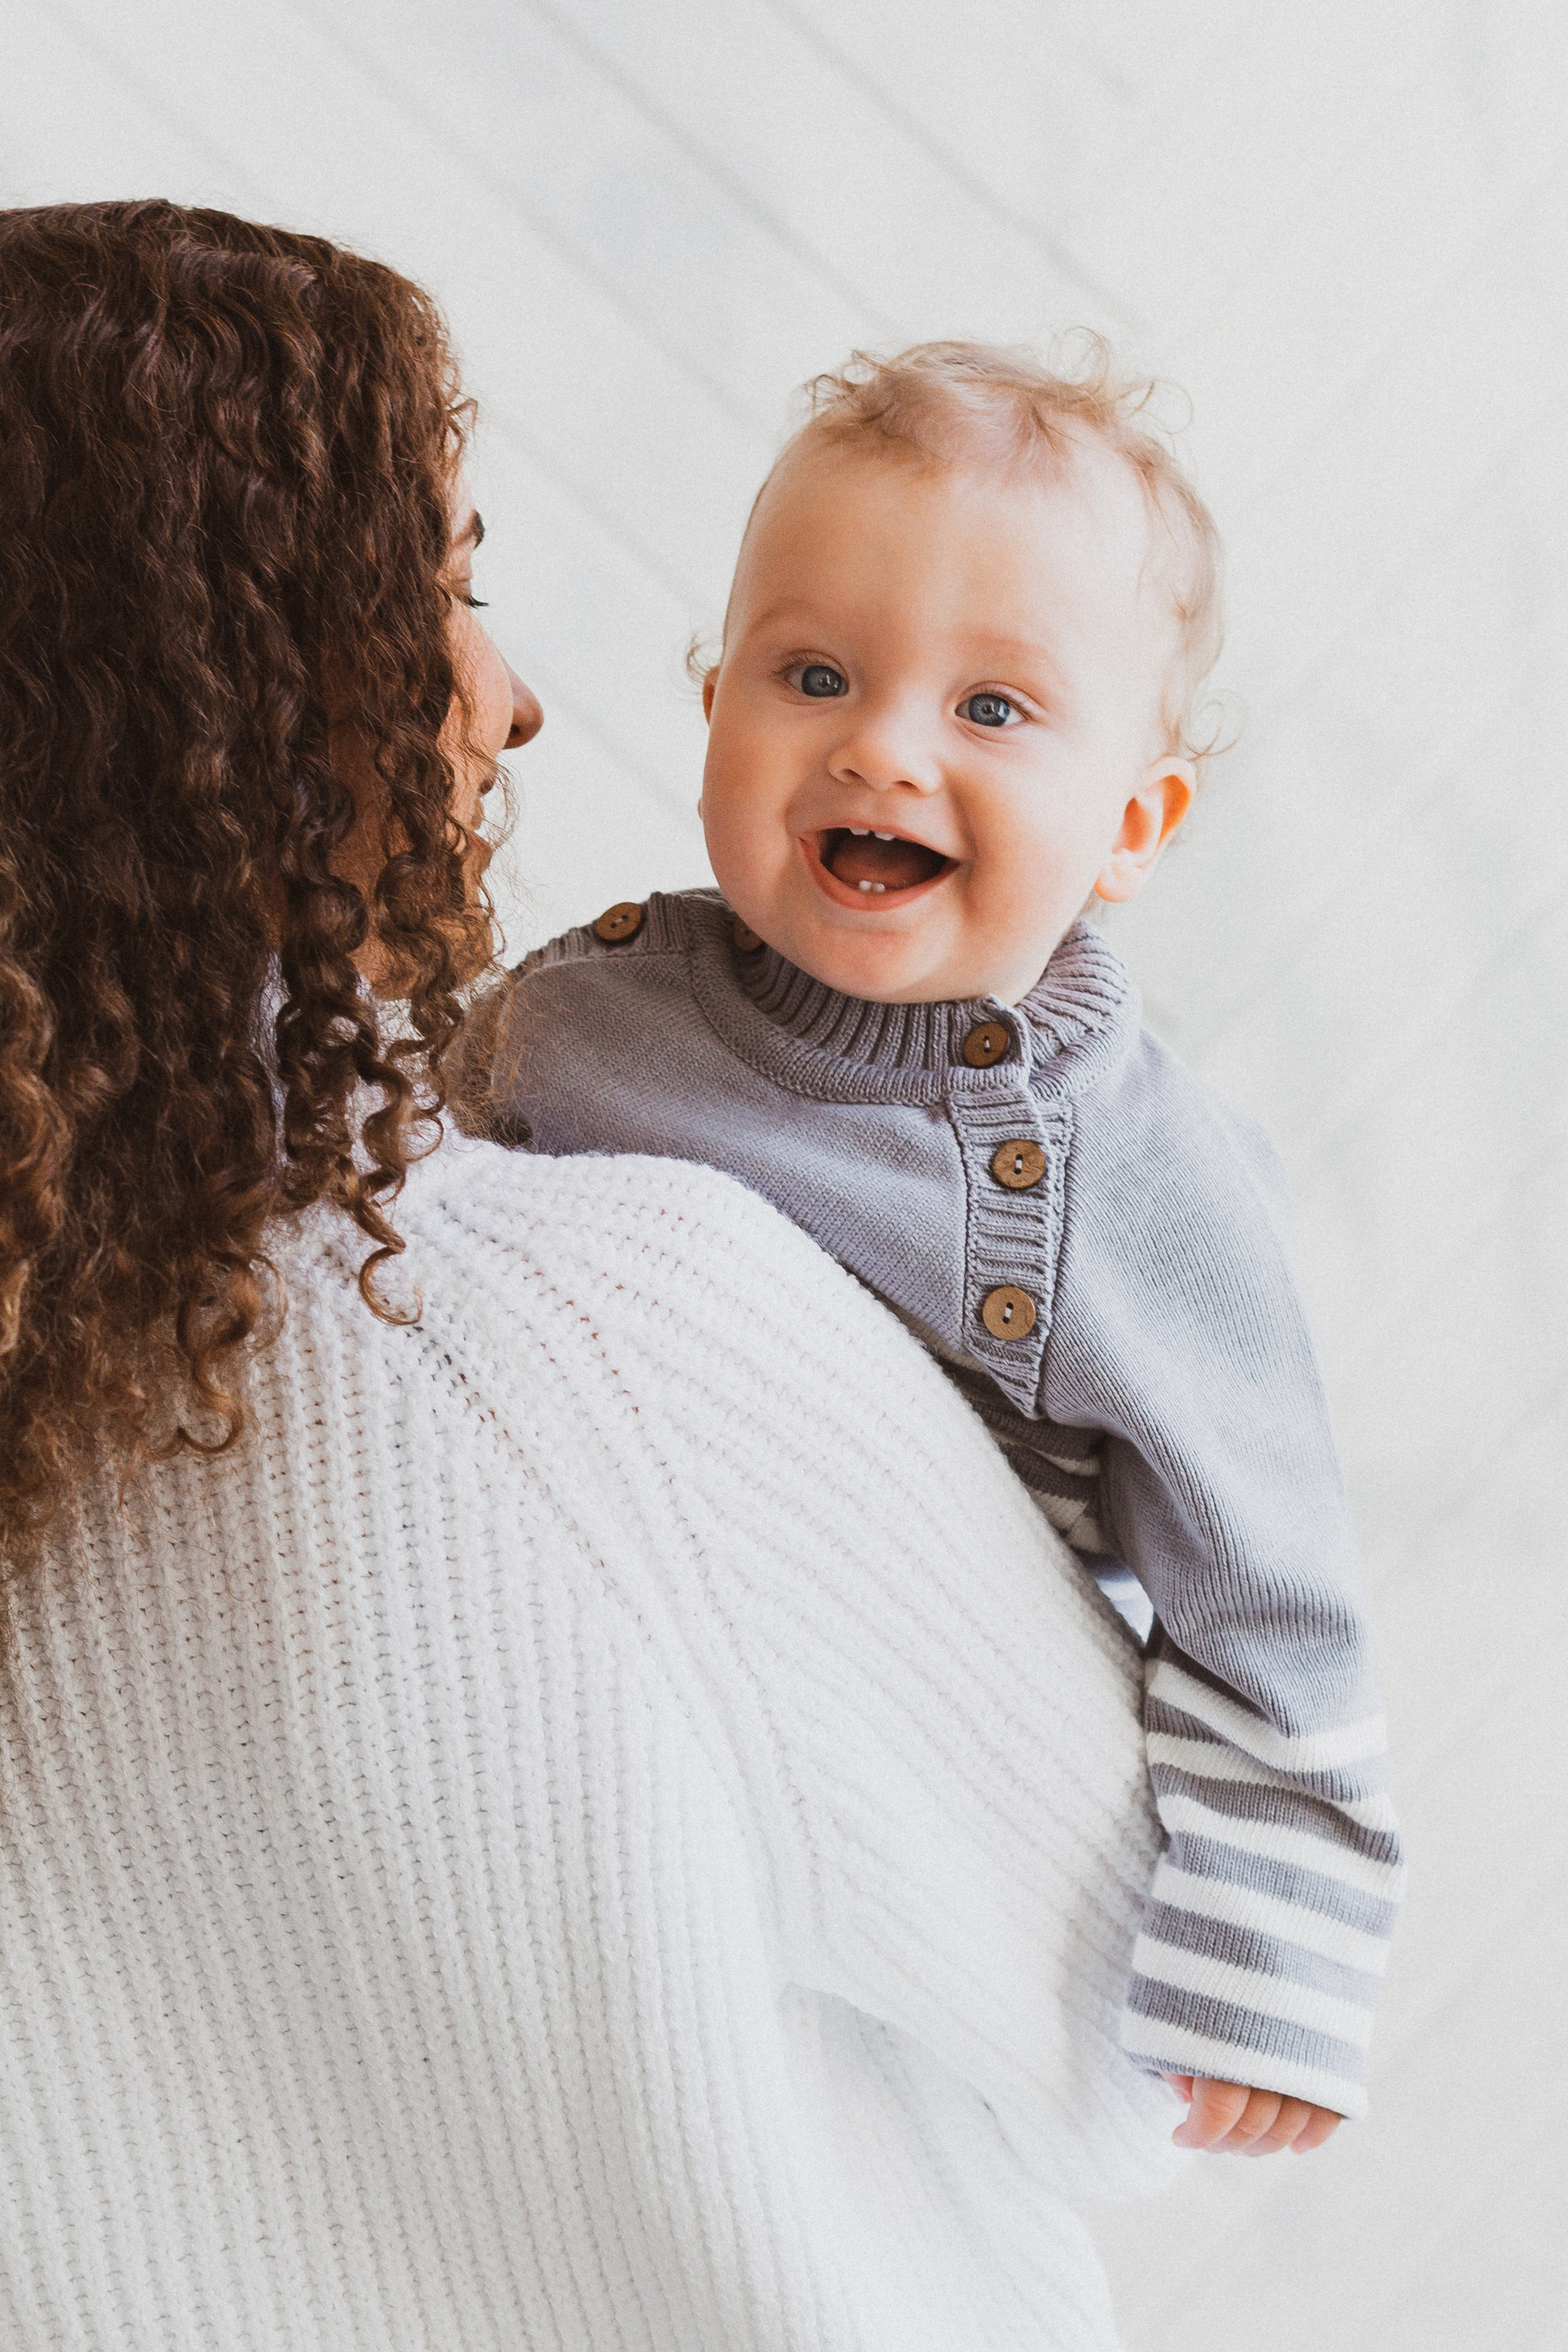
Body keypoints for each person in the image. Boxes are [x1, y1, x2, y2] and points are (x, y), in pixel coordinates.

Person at [0, 205, 1180, 2351]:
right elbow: (1154, 2023)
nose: (512, 699)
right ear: (207, 681)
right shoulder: (593, 1336)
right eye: (437, 591)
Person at [455, 342, 1406, 2147]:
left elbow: (1263, 1566)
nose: (881, 745)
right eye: (813, 675)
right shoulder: (580, 1016)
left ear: (1133, 824)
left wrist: (1273, 1942)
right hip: (580, 1741)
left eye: (994, 711)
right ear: (713, 701)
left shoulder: (1133, 1172)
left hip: (917, 1820)